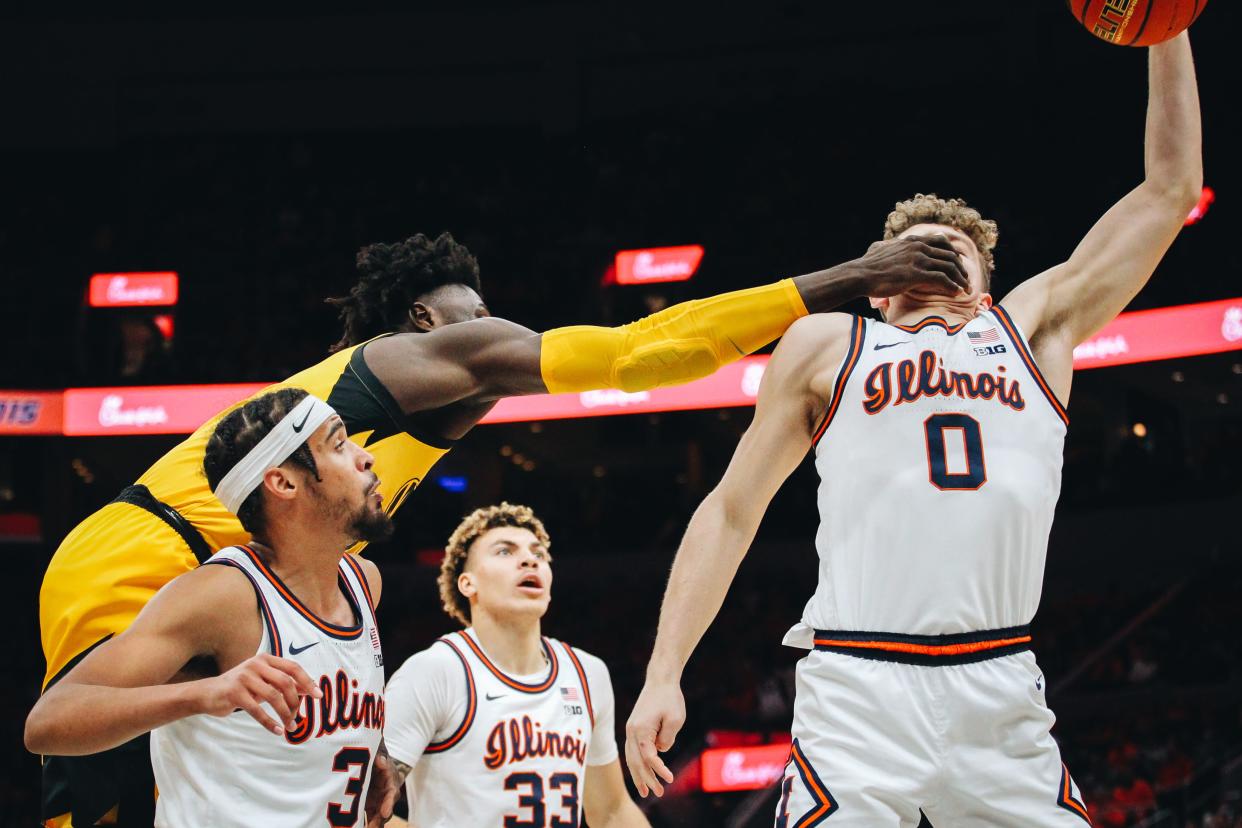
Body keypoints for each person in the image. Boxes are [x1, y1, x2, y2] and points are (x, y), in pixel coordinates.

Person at [37, 229, 967, 825]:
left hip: (234, 580)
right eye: (474, 319)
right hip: (143, 557)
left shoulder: (371, 474)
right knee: (106, 797)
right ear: (424, 322)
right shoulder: (418, 357)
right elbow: (636, 354)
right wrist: (845, 279)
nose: (496, 335)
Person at [625, 34, 1201, 827]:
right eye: (912, 252)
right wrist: (664, 670)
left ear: (988, 288)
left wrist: (1165, 30)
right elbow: (730, 509)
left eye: (954, 253)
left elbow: (1169, 189)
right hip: (860, 685)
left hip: (998, 684)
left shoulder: (1032, 329)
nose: (935, 258)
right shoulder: (831, 343)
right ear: (875, 285)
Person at [26, 388, 393, 827]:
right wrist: (204, 694)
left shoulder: (364, 582)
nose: (364, 458)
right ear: (283, 482)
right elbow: (49, 721)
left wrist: (372, 748)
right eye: (338, 444)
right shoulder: (222, 595)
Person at [383, 503, 647, 827]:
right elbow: (361, 805)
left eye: (539, 553)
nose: (529, 559)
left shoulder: (588, 674)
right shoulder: (436, 671)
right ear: (468, 584)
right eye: (504, 552)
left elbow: (611, 811)